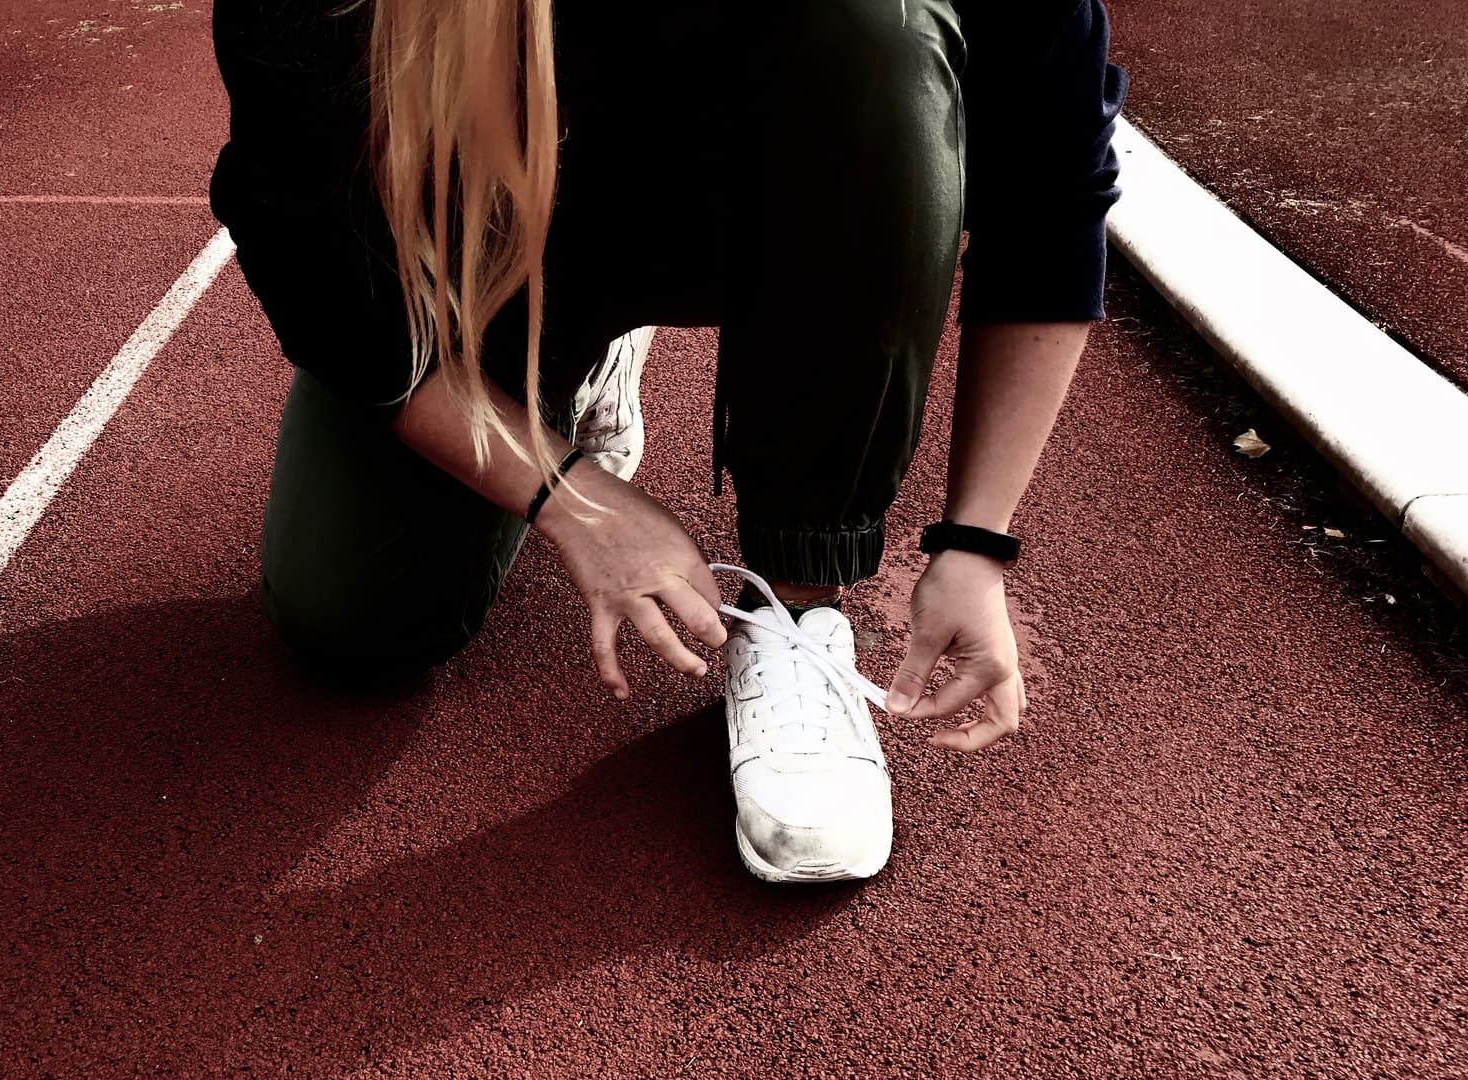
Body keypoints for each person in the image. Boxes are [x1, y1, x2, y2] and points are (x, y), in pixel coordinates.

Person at [209, 0, 1127, 882]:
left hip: (777, 196)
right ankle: (559, 363)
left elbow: (1050, 197)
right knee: (353, 624)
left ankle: (797, 609)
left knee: (878, 29)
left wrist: (976, 544)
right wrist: (565, 493)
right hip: (502, 216)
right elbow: (308, 244)